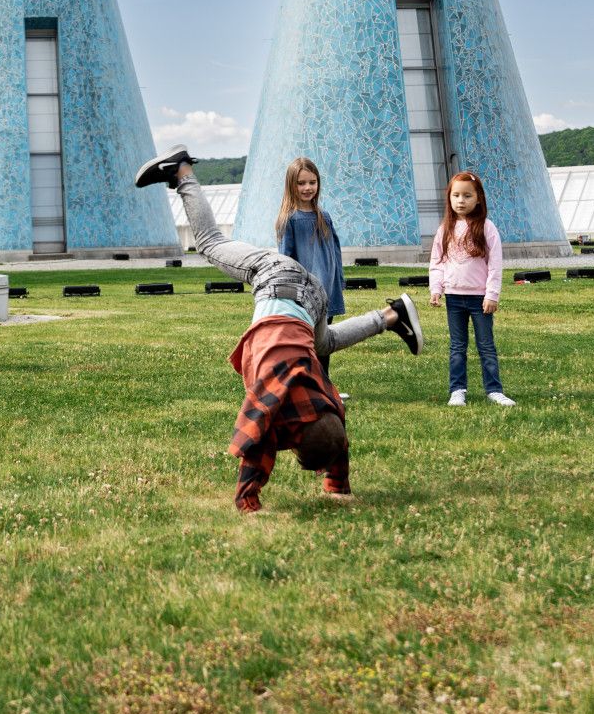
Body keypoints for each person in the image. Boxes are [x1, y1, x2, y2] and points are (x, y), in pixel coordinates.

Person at [136, 144, 422, 512]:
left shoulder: (327, 404)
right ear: (296, 435)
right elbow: (256, 441)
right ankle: (182, 171)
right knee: (209, 243)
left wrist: (340, 485)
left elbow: (336, 436)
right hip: (282, 279)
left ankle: (392, 316)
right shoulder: (280, 393)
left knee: (327, 343)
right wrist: (246, 501)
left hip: (307, 295)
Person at [428, 171, 511, 407]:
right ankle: (457, 390)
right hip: (454, 297)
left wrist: (492, 294)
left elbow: (495, 264)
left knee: (486, 345)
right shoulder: (445, 229)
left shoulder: (486, 227)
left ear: (478, 199)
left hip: (479, 299)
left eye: (467, 195)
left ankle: (494, 390)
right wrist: (437, 289)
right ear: (449, 198)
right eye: (456, 195)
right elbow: (437, 262)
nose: (461, 201)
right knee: (457, 347)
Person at [275, 157, 347, 388]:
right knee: (305, 343)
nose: (307, 188)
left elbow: (334, 252)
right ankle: (307, 387)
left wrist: (339, 281)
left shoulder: (323, 216)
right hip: (306, 295)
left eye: (312, 182)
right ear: (291, 185)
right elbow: (286, 259)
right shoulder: (290, 220)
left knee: (324, 342)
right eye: (301, 183)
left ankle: (324, 386)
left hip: (328, 291)